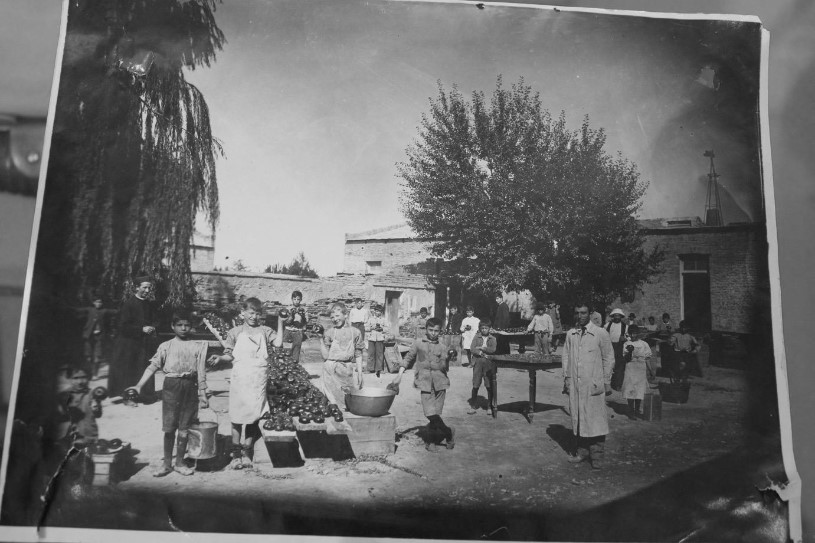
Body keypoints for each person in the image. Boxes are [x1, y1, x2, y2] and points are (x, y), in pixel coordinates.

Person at [131, 311, 209, 477]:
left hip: (190, 386)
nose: (183, 328)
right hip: (171, 386)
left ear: (191, 327)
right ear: (172, 326)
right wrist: (138, 386)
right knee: (169, 427)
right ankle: (167, 464)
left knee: (185, 427)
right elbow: (152, 366)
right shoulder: (165, 346)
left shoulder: (197, 346)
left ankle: (180, 463)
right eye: (179, 325)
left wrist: (203, 394)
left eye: (187, 325)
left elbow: (201, 372)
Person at [208, 297, 279, 469]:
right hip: (240, 378)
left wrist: (281, 322)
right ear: (243, 313)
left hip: (257, 378)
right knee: (237, 416)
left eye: (257, 313)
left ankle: (247, 452)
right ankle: (236, 454)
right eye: (251, 313)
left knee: (253, 416)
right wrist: (220, 358)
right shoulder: (235, 332)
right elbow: (229, 354)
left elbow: (279, 343)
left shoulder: (265, 331)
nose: (254, 317)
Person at [562, 303, 614, 470]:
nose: (580, 316)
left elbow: (609, 358)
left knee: (595, 420)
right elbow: (566, 357)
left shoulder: (600, 333)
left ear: (590, 313)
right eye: (577, 312)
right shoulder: (571, 334)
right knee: (579, 418)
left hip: (593, 384)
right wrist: (567, 378)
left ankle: (597, 456)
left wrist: (606, 381)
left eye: (583, 312)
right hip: (576, 385)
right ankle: (582, 452)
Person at [391, 318, 455, 452]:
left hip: (440, 383)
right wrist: (399, 376)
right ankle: (447, 432)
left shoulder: (443, 346)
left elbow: (445, 367)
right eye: (431, 330)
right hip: (425, 382)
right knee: (430, 413)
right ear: (426, 330)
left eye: (436, 331)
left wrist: (449, 357)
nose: (433, 333)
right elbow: (408, 358)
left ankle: (431, 441)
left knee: (435, 414)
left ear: (440, 331)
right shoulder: (418, 343)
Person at [109, 277, 157, 404]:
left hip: (143, 344)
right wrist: (141, 329)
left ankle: (143, 395)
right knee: (130, 370)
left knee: (143, 368)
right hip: (128, 344)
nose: (147, 290)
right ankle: (128, 397)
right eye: (144, 287)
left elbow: (152, 320)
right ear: (136, 287)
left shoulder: (149, 304)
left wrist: (152, 327)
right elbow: (122, 326)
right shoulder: (128, 304)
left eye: (149, 288)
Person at [320, 302, 364, 407]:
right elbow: (325, 356)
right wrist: (320, 339)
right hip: (331, 369)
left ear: (345, 315)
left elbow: (358, 354)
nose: (335, 319)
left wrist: (360, 373)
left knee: (348, 402)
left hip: (347, 369)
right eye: (332, 317)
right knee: (333, 403)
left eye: (337, 315)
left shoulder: (355, 332)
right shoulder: (330, 332)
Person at [78, 292, 113, 378]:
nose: (99, 303)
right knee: (88, 356)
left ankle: (95, 374)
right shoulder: (90, 310)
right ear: (93, 302)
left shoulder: (104, 311)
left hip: (99, 337)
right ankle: (89, 373)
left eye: (100, 302)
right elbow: (77, 310)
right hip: (89, 336)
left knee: (98, 356)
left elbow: (115, 311)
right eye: (97, 302)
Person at [467, 319, 497, 415]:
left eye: (486, 328)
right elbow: (472, 348)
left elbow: (493, 350)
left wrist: (481, 348)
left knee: (488, 384)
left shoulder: (493, 338)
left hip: (488, 363)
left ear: (489, 329)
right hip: (478, 362)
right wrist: (480, 352)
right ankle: (473, 406)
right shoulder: (476, 337)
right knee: (476, 383)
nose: (484, 330)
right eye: (482, 328)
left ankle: (489, 406)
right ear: (480, 328)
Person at [622, 334, 655, 420]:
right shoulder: (626, 343)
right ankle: (631, 411)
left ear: (638, 334)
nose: (633, 335)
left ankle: (637, 410)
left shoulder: (644, 344)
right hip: (630, 367)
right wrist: (629, 352)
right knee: (630, 389)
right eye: (631, 333)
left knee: (639, 389)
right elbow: (626, 359)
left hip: (640, 368)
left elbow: (647, 359)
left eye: (635, 333)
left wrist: (650, 370)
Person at [605, 308, 629, 391]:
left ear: (621, 316)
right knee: (608, 365)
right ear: (613, 316)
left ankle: (618, 384)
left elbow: (629, 337)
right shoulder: (607, 325)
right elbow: (603, 336)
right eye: (615, 315)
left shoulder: (625, 326)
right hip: (609, 347)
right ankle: (607, 384)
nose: (617, 317)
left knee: (620, 366)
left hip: (620, 347)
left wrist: (625, 339)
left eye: (619, 316)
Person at [283, 290, 307, 363]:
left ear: (301, 299)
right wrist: (291, 316)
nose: (296, 301)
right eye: (294, 299)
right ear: (292, 299)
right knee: (286, 349)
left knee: (296, 349)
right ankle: (285, 365)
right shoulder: (288, 309)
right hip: (288, 330)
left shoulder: (303, 309)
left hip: (298, 331)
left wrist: (302, 316)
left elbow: (305, 322)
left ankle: (294, 366)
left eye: (298, 299)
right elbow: (285, 322)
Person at [365, 304, 388, 376]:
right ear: (374, 311)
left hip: (380, 338)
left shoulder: (384, 319)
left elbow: (387, 328)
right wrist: (372, 328)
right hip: (371, 338)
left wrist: (382, 329)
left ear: (381, 312)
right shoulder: (370, 319)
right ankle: (370, 368)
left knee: (380, 354)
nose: (377, 312)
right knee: (370, 354)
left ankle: (379, 369)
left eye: (379, 311)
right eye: (376, 311)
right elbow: (365, 328)